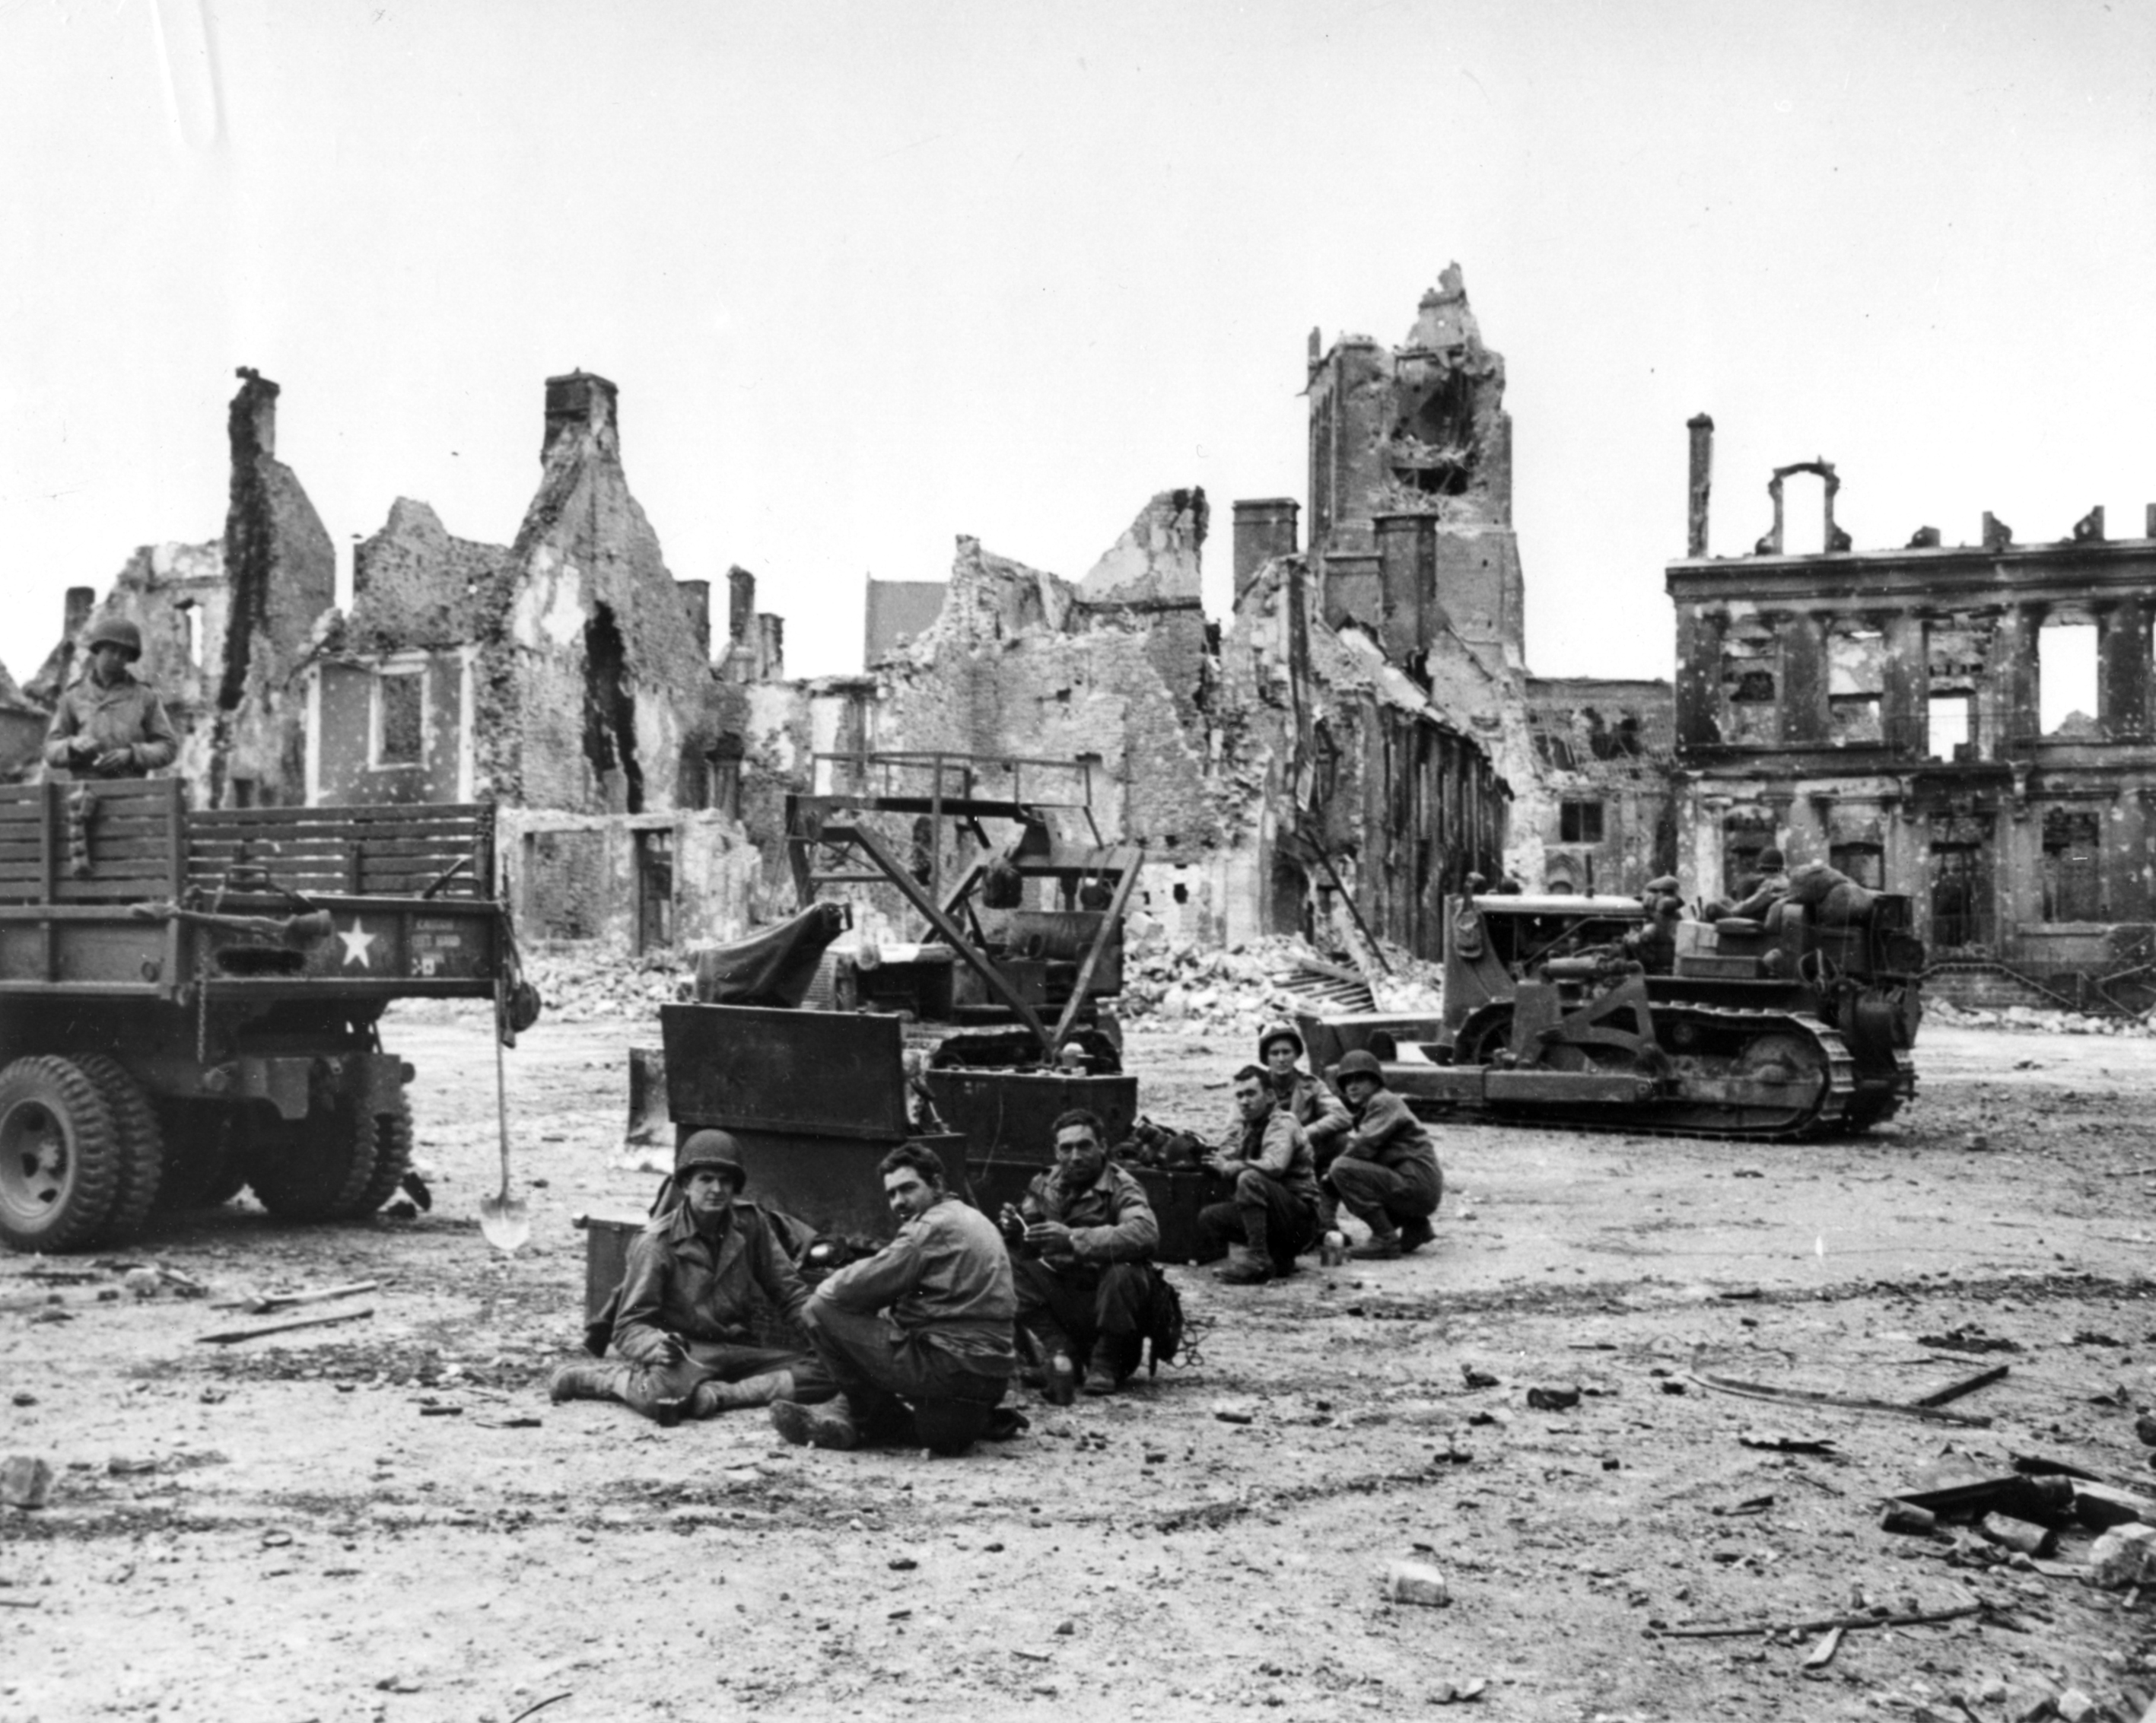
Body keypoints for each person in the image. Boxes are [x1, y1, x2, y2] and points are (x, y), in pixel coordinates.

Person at [549, 1130, 832, 1424]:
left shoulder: (751, 1224)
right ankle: (610, 1379)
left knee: (831, 1374)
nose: (717, 1189)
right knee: (660, 1398)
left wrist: (826, 1335)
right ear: (686, 1184)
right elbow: (629, 1326)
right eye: (706, 1179)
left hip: (739, 1351)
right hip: (687, 1354)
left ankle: (719, 1396)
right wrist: (658, 1347)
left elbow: (789, 1293)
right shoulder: (656, 1243)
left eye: (725, 1180)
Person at [771, 1141, 1016, 1455]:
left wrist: (849, 1281)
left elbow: (842, 1292)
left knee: (819, 1309)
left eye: (908, 1189)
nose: (899, 1202)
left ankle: (870, 1418)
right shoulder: (976, 1219)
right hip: (992, 1377)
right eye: (892, 1194)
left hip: (949, 1370)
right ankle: (865, 1415)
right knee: (939, 1432)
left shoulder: (927, 1229)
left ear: (937, 1184)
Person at [1000, 1108, 1159, 1397]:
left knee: (1124, 1268)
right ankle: (1061, 1355)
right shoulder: (1045, 1183)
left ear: (1102, 1146)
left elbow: (1145, 1233)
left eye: (1085, 1145)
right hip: (1064, 1298)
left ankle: (1105, 1362)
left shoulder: (1122, 1187)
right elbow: (1029, 1242)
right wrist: (1014, 1227)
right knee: (1003, 1262)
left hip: (1111, 1311)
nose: (1075, 1156)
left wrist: (1073, 1238)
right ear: (1056, 1152)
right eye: (1067, 1148)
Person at [1196, 1064, 1321, 1285]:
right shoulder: (1247, 1125)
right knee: (1210, 1217)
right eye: (1240, 1096)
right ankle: (1277, 1257)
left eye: (1251, 1094)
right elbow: (1227, 1152)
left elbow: (1275, 1165)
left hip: (1300, 1219)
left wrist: (1232, 1166)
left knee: (1249, 1178)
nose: (1244, 1101)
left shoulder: (1283, 1122)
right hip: (1278, 1213)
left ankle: (1257, 1259)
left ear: (1270, 1096)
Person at [1326, 1050, 1443, 1261]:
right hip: (1419, 1186)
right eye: (1347, 1081)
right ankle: (1416, 1227)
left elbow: (1362, 1145)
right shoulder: (1375, 1106)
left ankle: (1385, 1239)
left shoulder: (1383, 1102)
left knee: (1341, 1170)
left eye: (1359, 1079)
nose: (1352, 1086)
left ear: (1375, 1081)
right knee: (1348, 1171)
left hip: (1415, 1184)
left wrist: (1329, 1175)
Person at [42, 615, 179, 780]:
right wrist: (72, 745)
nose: (117, 658)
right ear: (98, 650)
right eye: (112, 651)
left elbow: (168, 747)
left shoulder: (144, 697)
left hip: (131, 792)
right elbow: (50, 749)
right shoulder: (73, 696)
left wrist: (132, 755)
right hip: (84, 789)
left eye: (124, 654)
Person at [1728, 847, 1792, 923]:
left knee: (1714, 907)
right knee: (1725, 901)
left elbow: (1750, 905)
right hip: (1761, 916)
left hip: (1754, 919)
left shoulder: (1770, 885)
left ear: (1764, 869)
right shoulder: (1787, 882)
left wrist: (1732, 910)